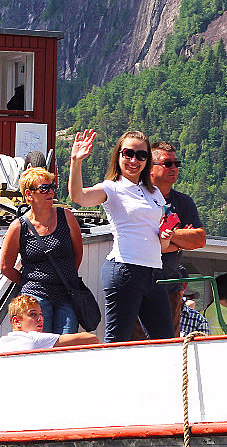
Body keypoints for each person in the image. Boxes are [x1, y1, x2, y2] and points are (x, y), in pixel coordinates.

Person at [69, 128, 175, 343]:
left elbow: (162, 243)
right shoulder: (112, 188)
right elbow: (78, 197)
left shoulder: (153, 192)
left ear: (147, 160)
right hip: (125, 270)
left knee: (165, 341)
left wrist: (165, 236)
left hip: (154, 272)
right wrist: (76, 161)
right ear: (118, 155)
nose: (134, 160)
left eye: (141, 155)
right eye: (128, 153)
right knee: (118, 340)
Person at [0, 167, 84, 334]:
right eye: (44, 188)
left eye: (52, 187)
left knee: (65, 345)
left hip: (66, 293)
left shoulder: (66, 217)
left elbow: (78, 253)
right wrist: (30, 284)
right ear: (29, 195)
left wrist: (66, 276)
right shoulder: (18, 227)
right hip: (35, 296)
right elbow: (5, 267)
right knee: (39, 346)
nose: (50, 192)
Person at [150, 141, 207, 334]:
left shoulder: (184, 202)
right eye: (168, 164)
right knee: (137, 342)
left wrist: (168, 234)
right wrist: (181, 241)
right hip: (142, 284)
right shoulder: (138, 199)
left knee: (168, 343)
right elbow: (148, 244)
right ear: (151, 168)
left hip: (170, 287)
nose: (174, 168)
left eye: (177, 164)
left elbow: (199, 240)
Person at [0, 295, 97, 352]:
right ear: (17, 321)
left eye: (40, 314)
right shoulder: (34, 339)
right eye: (33, 314)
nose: (41, 319)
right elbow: (91, 338)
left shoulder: (2, 342)